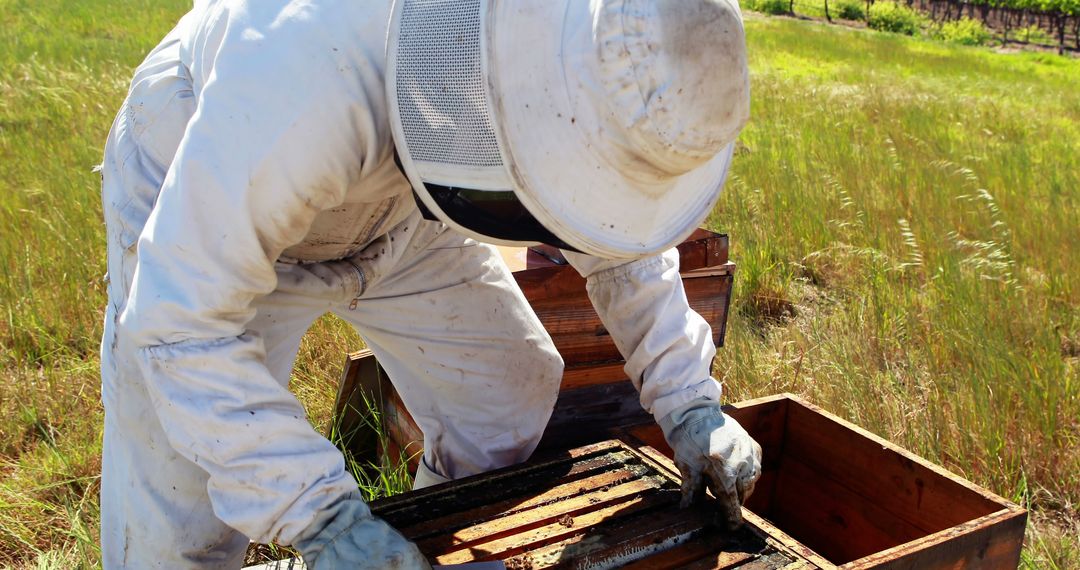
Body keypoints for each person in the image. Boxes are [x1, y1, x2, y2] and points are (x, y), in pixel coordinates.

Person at [98, 0, 760, 568]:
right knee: (178, 527)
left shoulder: (573, 51)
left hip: (403, 211)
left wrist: (690, 405)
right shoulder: (300, 76)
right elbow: (181, 325)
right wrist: (324, 522)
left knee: (504, 392)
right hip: (207, 200)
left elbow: (617, 242)